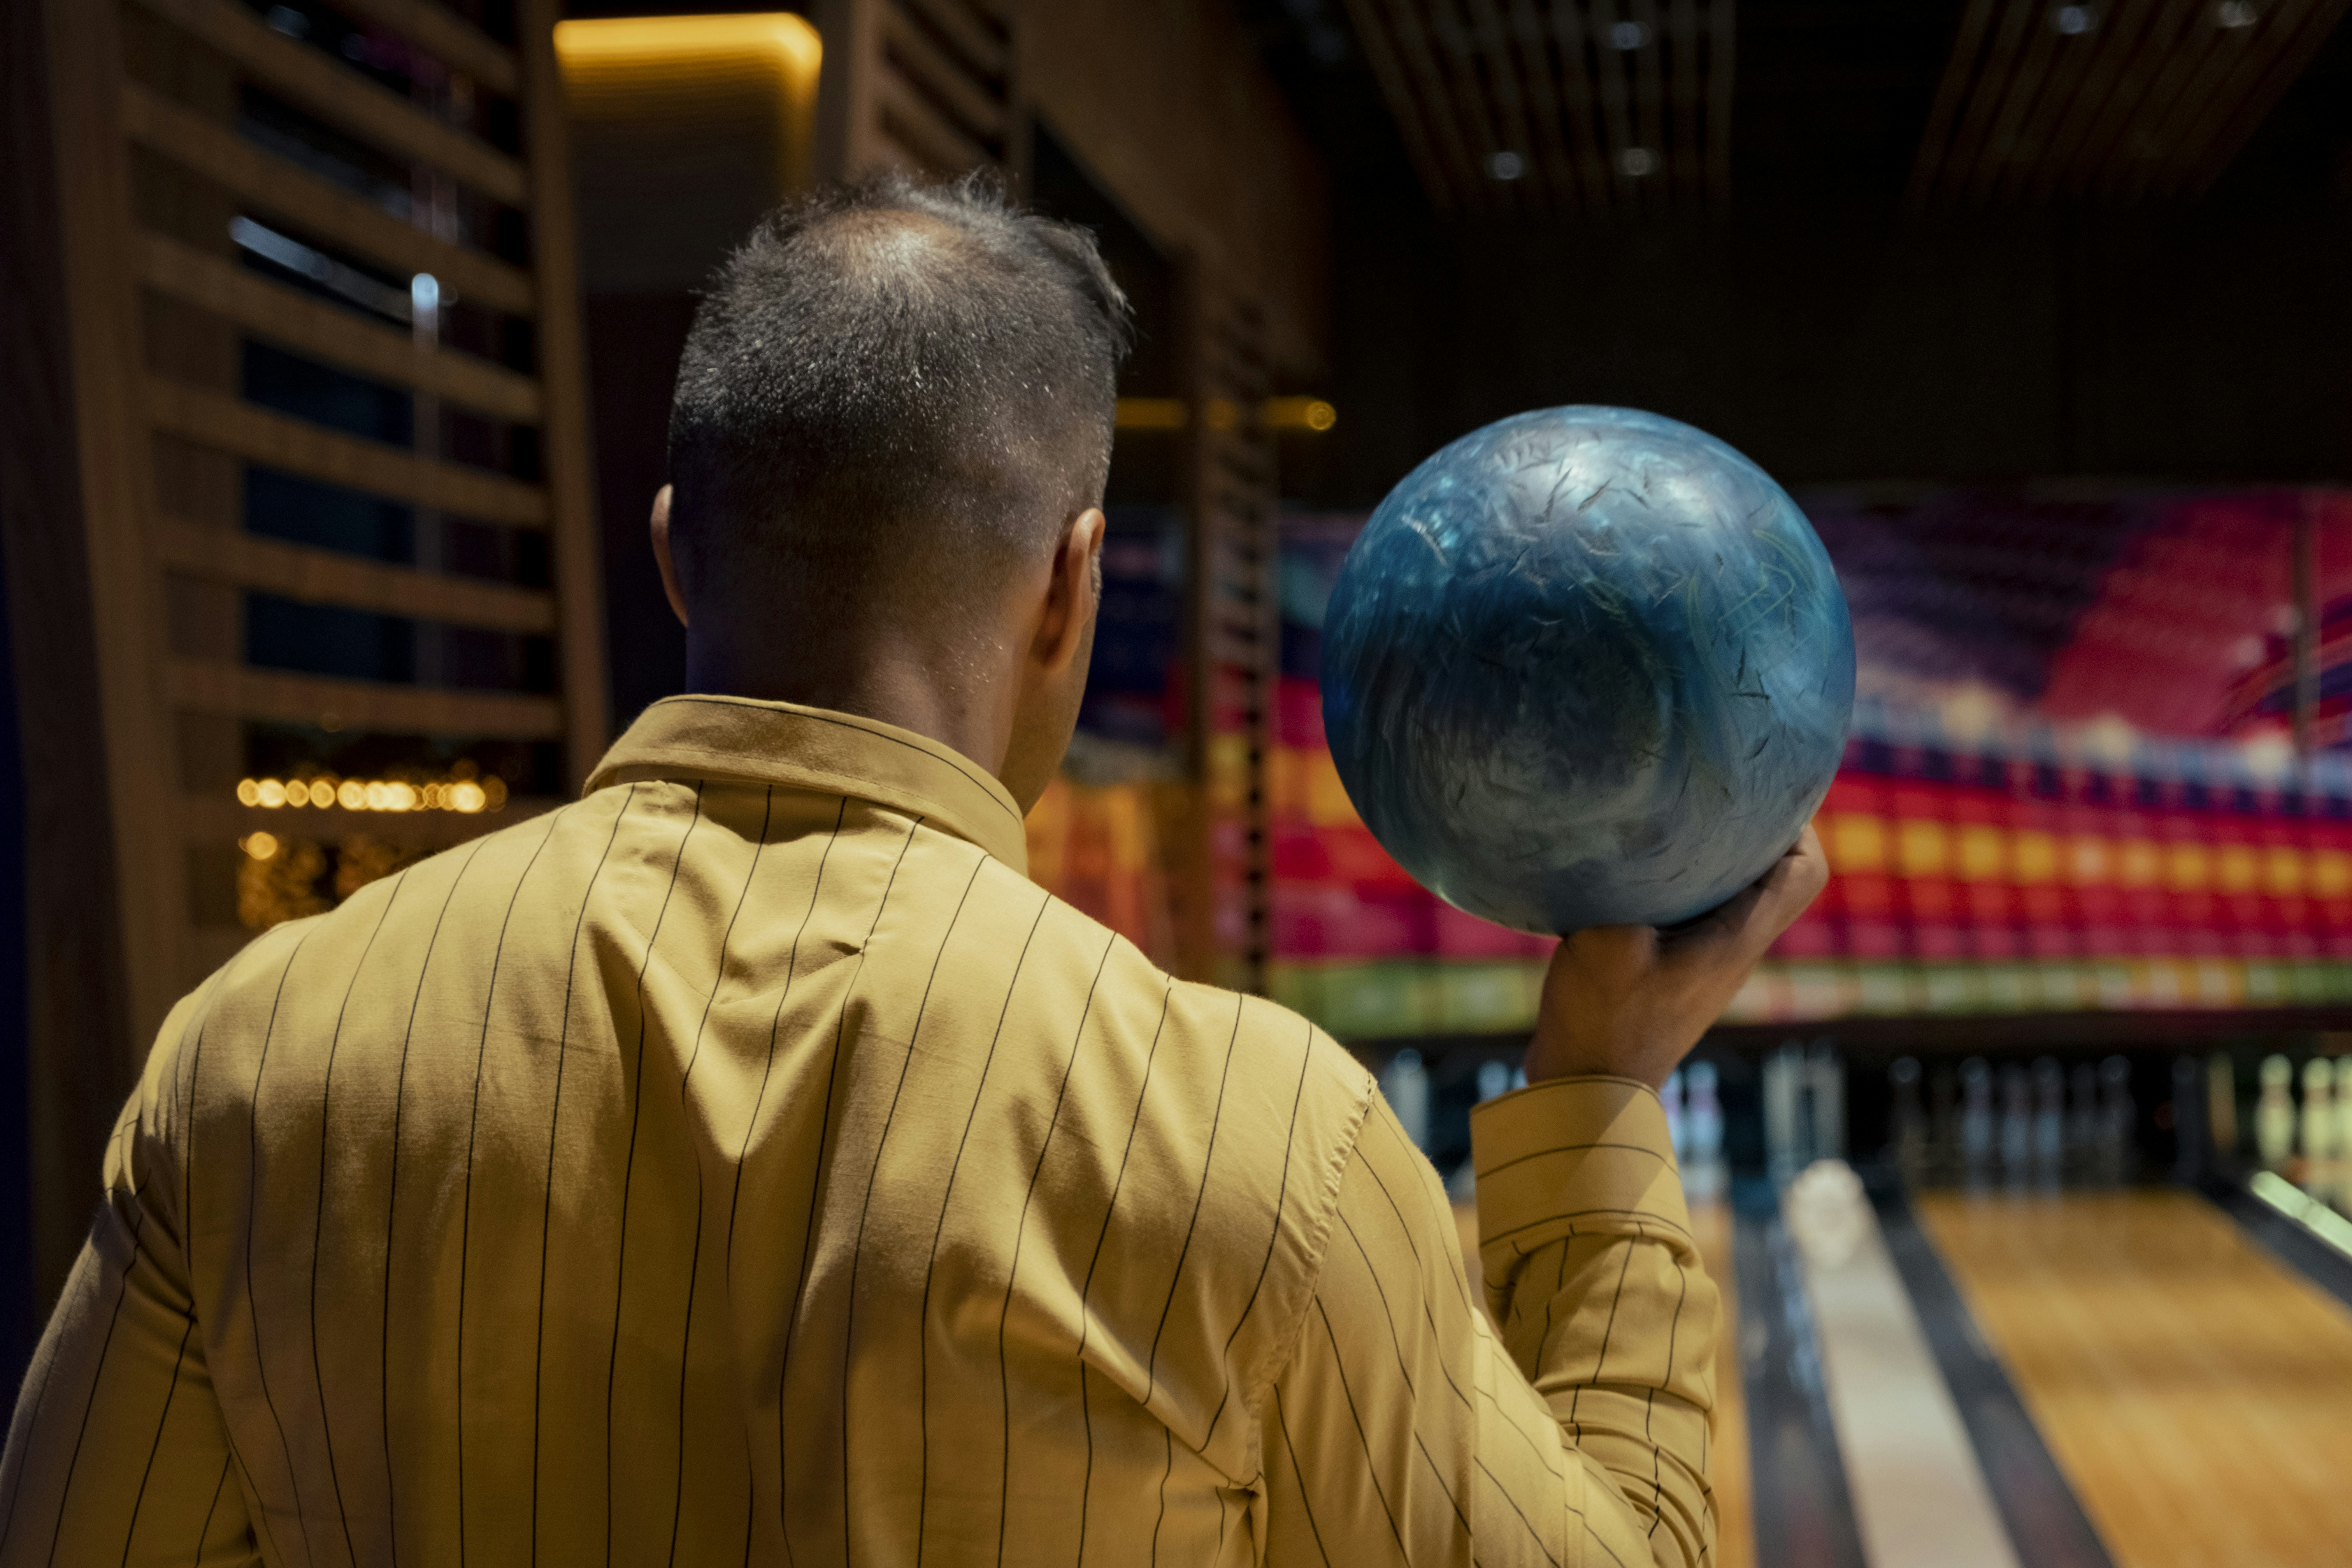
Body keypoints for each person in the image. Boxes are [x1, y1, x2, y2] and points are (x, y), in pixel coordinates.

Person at [0, 172, 1825, 1566]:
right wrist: (1591, 1095)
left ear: (672, 556)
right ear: (1071, 582)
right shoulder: (1252, 1138)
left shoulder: (254, 1056)